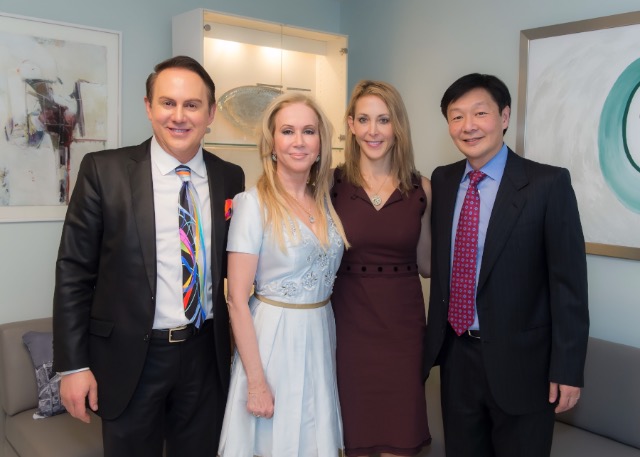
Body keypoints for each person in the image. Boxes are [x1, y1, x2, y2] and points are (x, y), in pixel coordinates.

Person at [52, 55, 245, 457]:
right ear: (148, 107)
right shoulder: (104, 171)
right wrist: (72, 366)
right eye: (167, 103)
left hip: (205, 355)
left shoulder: (231, 176)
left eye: (192, 105)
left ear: (210, 114)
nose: (179, 116)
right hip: (131, 360)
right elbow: (74, 273)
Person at [423, 73, 590, 457]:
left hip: (524, 365)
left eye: (479, 113)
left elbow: (569, 286)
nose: (468, 126)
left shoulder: (547, 184)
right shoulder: (444, 181)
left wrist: (567, 368)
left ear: (504, 116)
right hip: (457, 357)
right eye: (456, 116)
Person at [217, 92, 350, 456]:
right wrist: (257, 383)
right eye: (287, 131)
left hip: (320, 331)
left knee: (312, 436)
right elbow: (236, 301)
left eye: (309, 131)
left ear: (321, 144)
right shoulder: (252, 204)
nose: (298, 141)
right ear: (272, 143)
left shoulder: (325, 202)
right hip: (272, 341)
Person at [331, 80, 432, 457]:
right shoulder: (330, 183)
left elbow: (426, 264)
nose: (373, 130)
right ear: (351, 125)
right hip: (348, 329)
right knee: (352, 437)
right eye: (364, 119)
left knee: (400, 438)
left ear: (398, 126)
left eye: (384, 120)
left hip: (403, 332)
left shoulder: (423, 188)